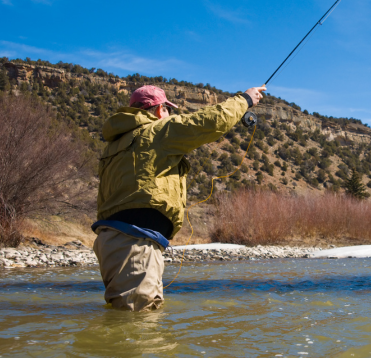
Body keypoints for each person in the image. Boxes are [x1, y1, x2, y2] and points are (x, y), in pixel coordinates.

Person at [92, 84, 265, 311]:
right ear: (157, 110)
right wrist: (245, 100)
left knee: (128, 318)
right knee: (139, 326)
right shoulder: (156, 132)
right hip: (135, 243)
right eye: (168, 110)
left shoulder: (115, 147)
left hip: (112, 242)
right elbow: (210, 121)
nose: (170, 116)